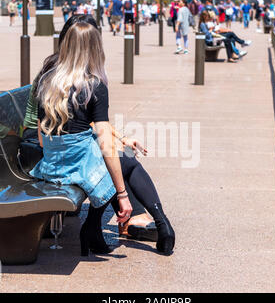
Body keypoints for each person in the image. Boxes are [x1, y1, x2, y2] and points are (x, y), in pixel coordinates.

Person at [24, 15, 175, 254]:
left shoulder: (47, 80)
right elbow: (102, 137)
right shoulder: (94, 85)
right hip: (72, 164)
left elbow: (45, 135)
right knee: (121, 163)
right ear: (95, 47)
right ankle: (159, 222)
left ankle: (94, 230)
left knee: (115, 159)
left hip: (51, 163)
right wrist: (122, 195)